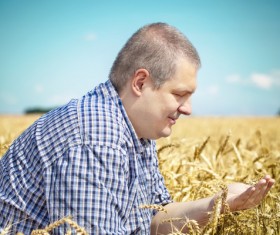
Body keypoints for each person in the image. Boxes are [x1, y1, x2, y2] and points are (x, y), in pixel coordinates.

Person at [0, 22, 274, 234]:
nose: (188, 108)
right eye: (180, 94)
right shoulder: (95, 137)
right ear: (141, 83)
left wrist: (219, 204)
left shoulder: (136, 131)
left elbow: (155, 217)